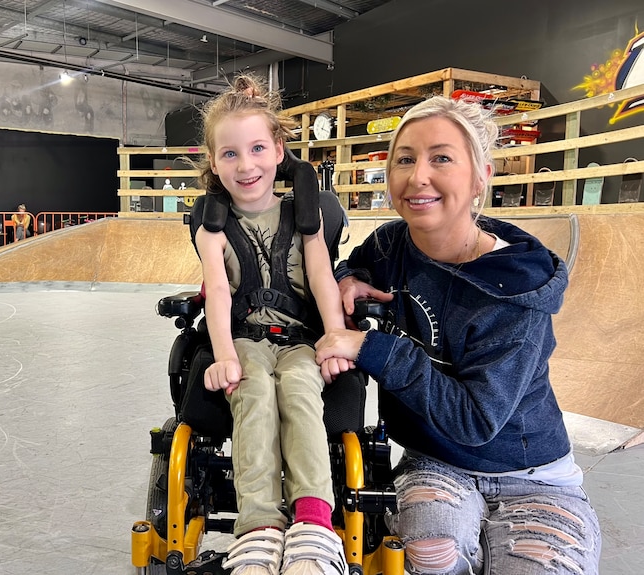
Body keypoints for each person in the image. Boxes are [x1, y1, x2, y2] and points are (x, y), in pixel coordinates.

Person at [314, 96, 601, 575]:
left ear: (480, 176)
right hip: (434, 462)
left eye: (441, 158)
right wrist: (348, 277)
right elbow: (356, 263)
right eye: (404, 158)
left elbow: (475, 420)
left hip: (532, 476)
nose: (418, 175)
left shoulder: (514, 288)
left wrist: (372, 349)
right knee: (430, 555)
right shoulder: (393, 243)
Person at [194, 74, 349, 575]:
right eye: (231, 154)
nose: (246, 165)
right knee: (252, 388)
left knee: (301, 387)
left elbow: (324, 278)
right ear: (214, 161)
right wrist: (224, 357)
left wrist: (336, 337)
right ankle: (259, 524)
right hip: (244, 338)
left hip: (301, 338)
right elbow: (217, 291)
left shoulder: (306, 214)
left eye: (258, 148)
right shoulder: (211, 227)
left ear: (279, 150)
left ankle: (312, 520)